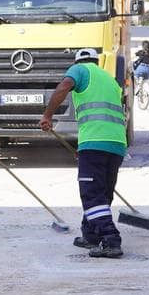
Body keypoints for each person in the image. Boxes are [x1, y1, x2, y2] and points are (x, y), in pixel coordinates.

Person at [39, 48, 127, 258]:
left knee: (92, 194)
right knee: (102, 192)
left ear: (77, 61)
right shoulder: (109, 79)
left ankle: (110, 239)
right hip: (116, 144)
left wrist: (48, 115)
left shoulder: (79, 69)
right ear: (97, 62)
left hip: (94, 142)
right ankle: (90, 235)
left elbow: (64, 87)